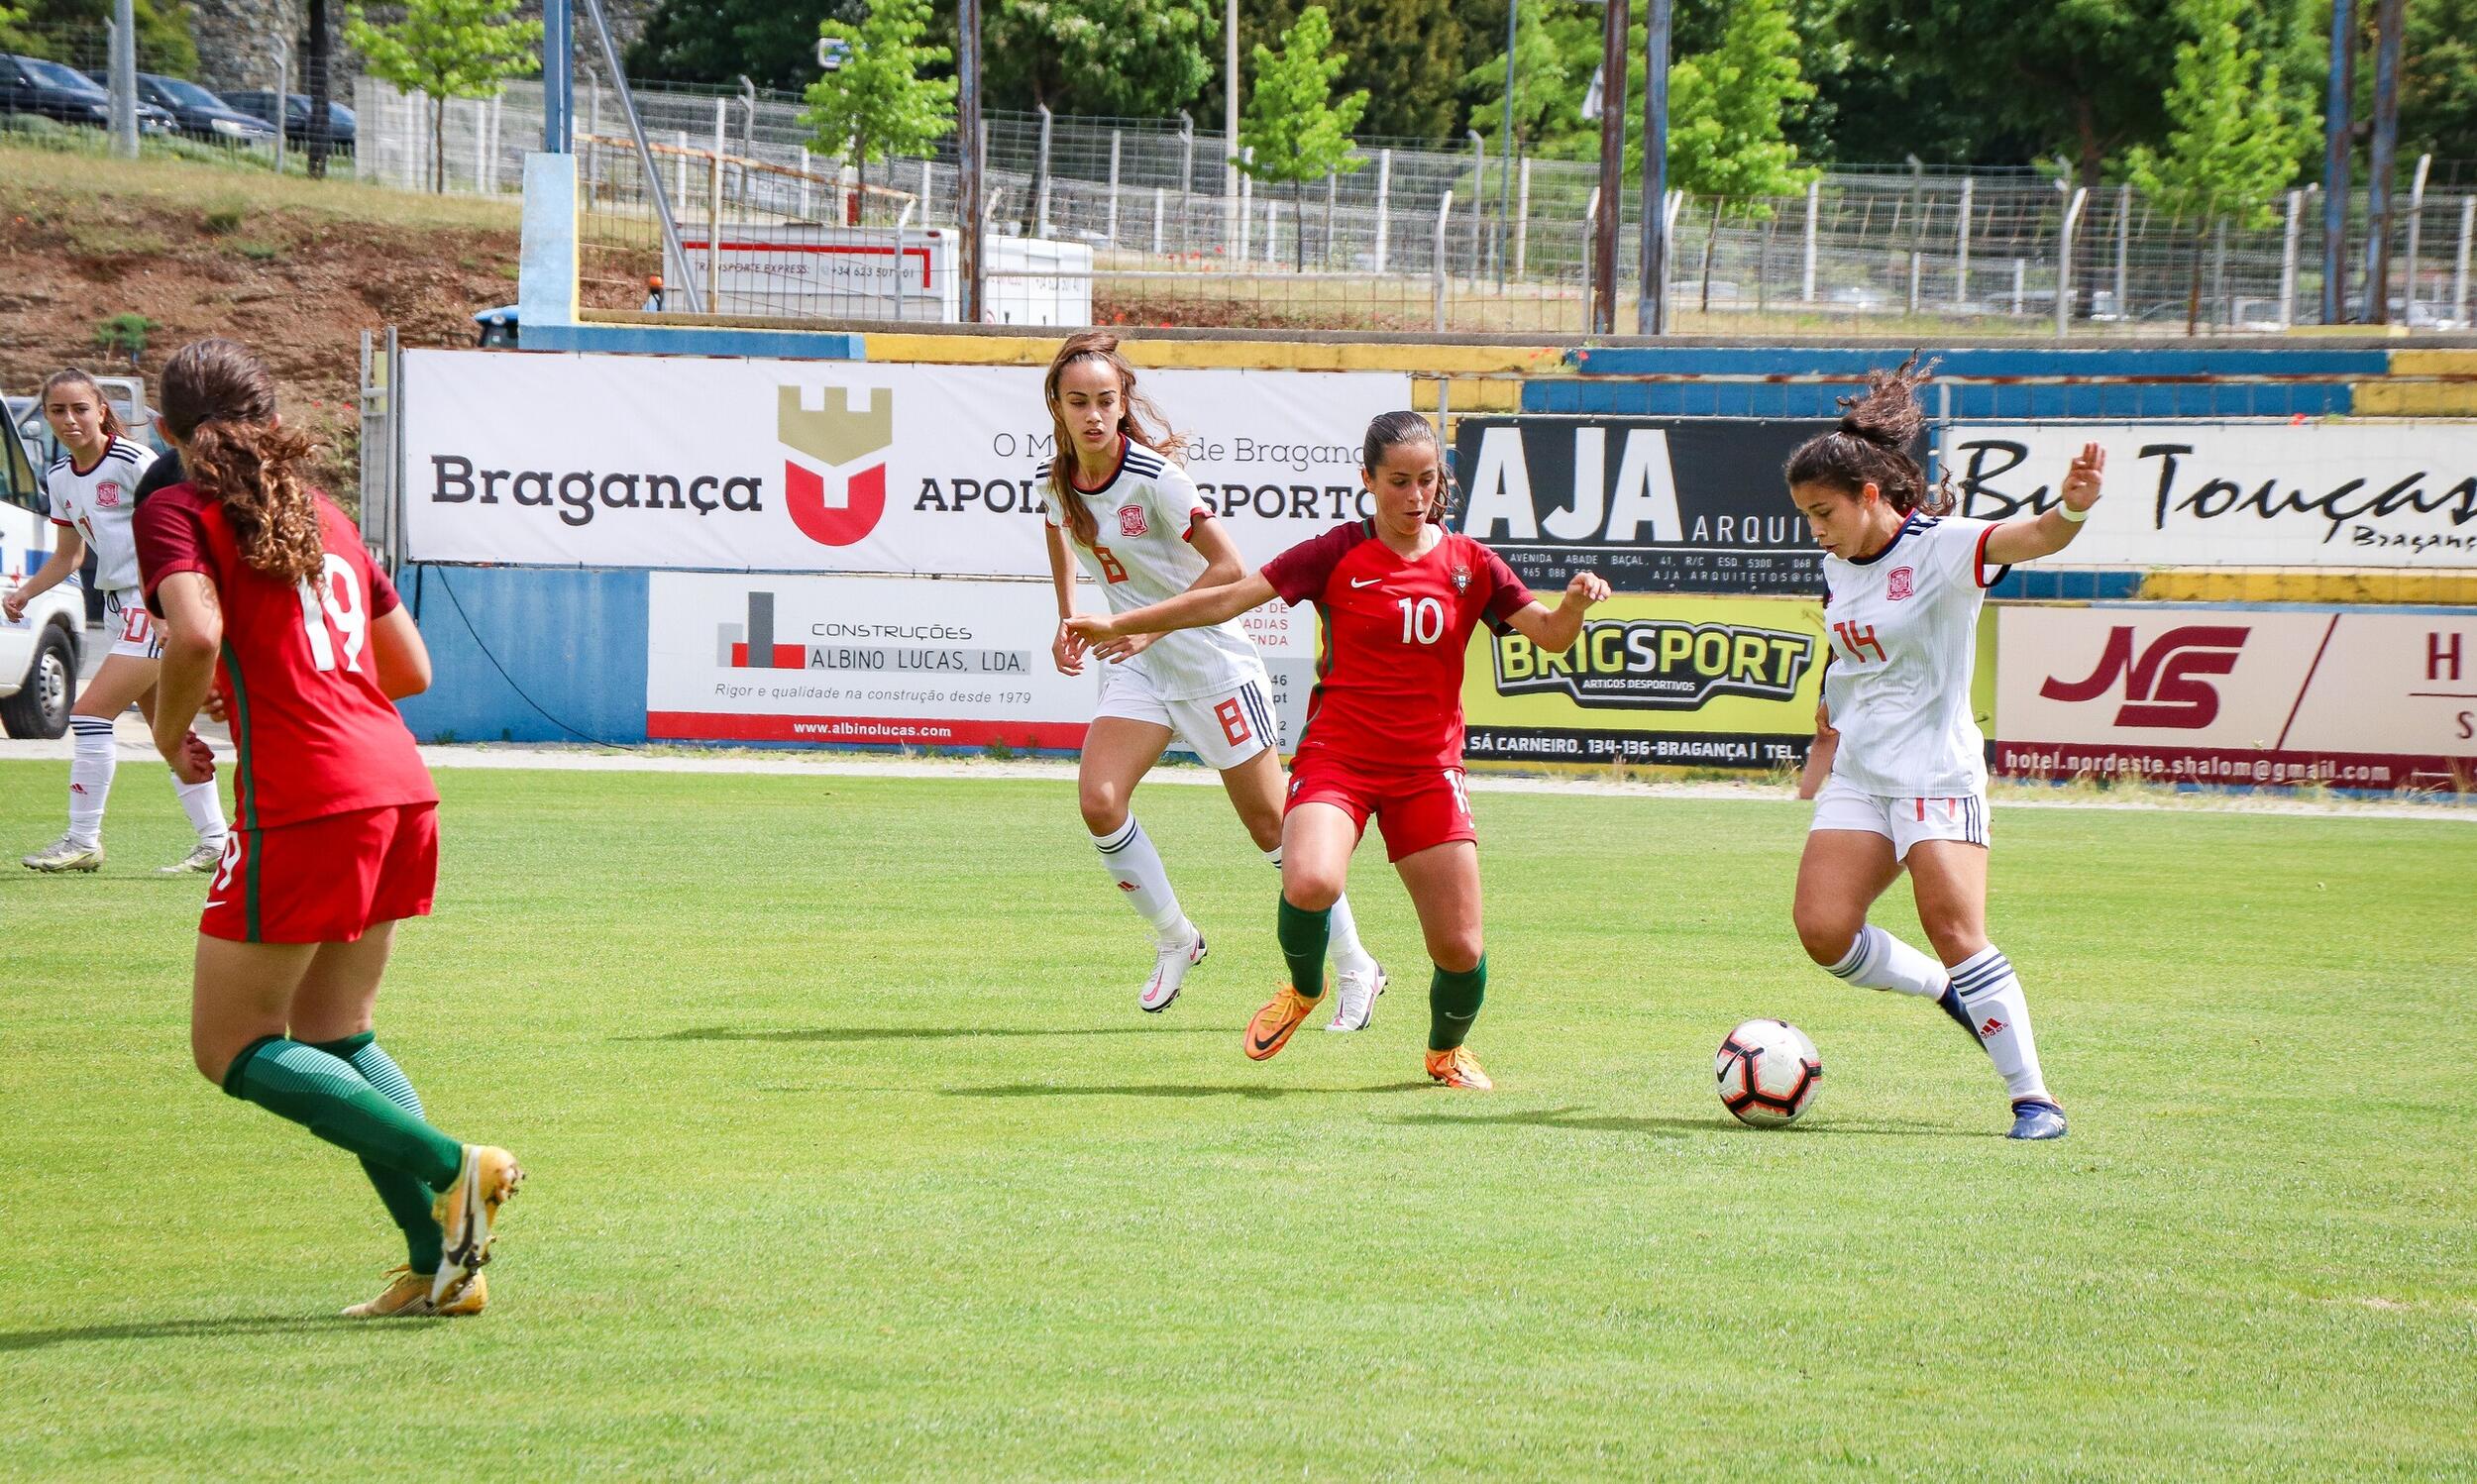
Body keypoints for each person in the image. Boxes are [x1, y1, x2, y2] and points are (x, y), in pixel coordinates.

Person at [135, 338, 521, 1317]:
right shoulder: (325, 515)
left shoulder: (177, 506)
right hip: (399, 785)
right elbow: (410, 670)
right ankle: (439, 1265)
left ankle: (450, 1164)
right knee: (332, 1028)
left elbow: (195, 632)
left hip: (311, 797)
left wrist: (171, 724)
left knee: (232, 1045)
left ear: (163, 429)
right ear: (273, 418)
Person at [1070, 411, 1610, 1089]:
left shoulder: (1471, 564)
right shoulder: (1335, 552)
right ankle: (1303, 987)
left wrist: (1576, 606)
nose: (1415, 497)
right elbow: (1228, 598)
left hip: (1428, 770)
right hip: (1339, 759)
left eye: (1427, 481)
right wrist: (1125, 624)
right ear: (1368, 481)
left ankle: (1445, 1051)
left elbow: (1550, 635)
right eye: (1399, 482)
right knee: (1310, 881)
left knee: (1461, 949)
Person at [1785, 360, 2103, 1141]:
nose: (1815, 530)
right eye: (1804, 516)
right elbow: (1853, 662)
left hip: (1934, 772)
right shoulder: (1837, 567)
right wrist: (1825, 738)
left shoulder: (1943, 548)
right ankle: (1944, 993)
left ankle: (2034, 1098)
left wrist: (2072, 508)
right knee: (1824, 930)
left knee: (1957, 931)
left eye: (1823, 511)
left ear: (1870, 496)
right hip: (1862, 774)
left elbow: (2032, 537)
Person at [1041, 332, 1385, 1022]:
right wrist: (1068, 614)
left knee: (1273, 831)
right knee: (1100, 802)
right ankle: (1176, 938)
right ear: (1057, 405)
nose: (1094, 415)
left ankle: (1357, 964)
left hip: (1212, 667)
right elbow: (1057, 528)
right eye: (1078, 402)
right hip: (1142, 668)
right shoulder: (1057, 481)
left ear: (1123, 401)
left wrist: (1150, 625)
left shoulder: (1156, 478)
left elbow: (1230, 568)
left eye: (1106, 400)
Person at [6, 368, 229, 874]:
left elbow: (185, 520)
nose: (70, 419)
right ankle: (217, 840)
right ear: (45, 416)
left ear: (102, 410)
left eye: (80, 408)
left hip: (153, 602)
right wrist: (25, 592)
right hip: (118, 604)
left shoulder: (135, 461)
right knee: (165, 731)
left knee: (87, 714)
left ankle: (83, 839)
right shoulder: (60, 476)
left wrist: (176, 603)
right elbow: (69, 557)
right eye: (57, 410)